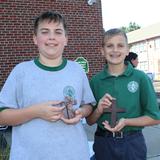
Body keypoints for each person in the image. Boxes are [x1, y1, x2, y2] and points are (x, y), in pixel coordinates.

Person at [0, 11, 95, 160]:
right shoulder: (21, 71)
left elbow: (88, 105)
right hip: (29, 155)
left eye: (58, 32)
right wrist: (36, 112)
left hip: (74, 153)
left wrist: (81, 113)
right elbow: (2, 116)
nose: (51, 37)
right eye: (45, 32)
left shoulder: (76, 70)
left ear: (66, 39)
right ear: (35, 39)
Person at [87, 28, 160, 160]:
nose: (115, 50)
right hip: (104, 142)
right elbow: (90, 120)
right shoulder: (95, 81)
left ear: (127, 50)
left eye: (120, 45)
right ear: (102, 51)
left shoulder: (140, 78)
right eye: (110, 46)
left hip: (132, 142)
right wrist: (98, 109)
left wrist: (126, 121)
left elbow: (155, 117)